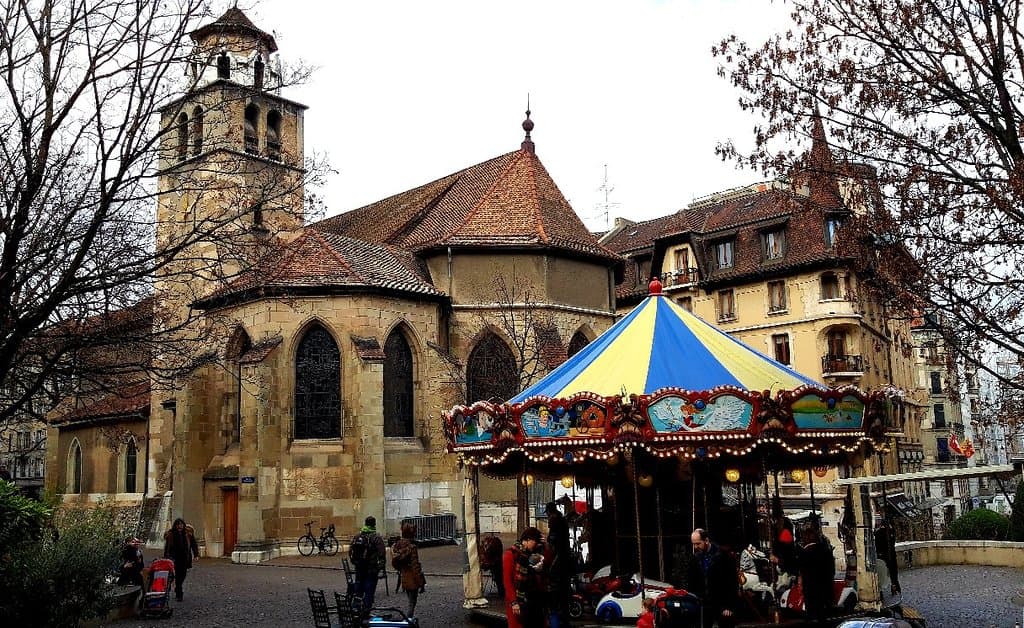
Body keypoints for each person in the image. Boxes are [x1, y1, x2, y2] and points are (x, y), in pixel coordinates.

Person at [688, 528, 739, 628]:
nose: (695, 547)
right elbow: (692, 581)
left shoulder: (723, 555)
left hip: (721, 601)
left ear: (706, 540)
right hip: (704, 602)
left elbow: (731, 581)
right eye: (693, 544)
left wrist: (729, 606)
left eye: (698, 543)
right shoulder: (696, 557)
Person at [502, 527, 545, 628]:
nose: (536, 546)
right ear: (528, 540)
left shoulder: (533, 554)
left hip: (532, 601)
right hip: (518, 601)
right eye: (535, 542)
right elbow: (507, 581)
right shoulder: (510, 555)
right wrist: (514, 602)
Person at [797, 525, 835, 622]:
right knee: (824, 616)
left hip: (811, 589)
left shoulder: (804, 553)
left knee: (812, 616)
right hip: (826, 587)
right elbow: (832, 571)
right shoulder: (827, 551)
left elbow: (801, 570)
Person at [545, 501, 572, 628]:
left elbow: (552, 540)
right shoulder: (561, 520)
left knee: (558, 591)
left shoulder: (555, 521)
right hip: (564, 559)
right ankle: (564, 618)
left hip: (560, 560)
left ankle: (559, 617)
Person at [350, 515, 386, 610]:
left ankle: (356, 612)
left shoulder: (357, 536)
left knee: (358, 591)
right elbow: (382, 554)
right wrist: (379, 568)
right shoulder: (376, 538)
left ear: (365, 524)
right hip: (371, 570)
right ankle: (366, 613)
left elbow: (351, 551)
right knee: (369, 593)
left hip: (359, 568)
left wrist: (355, 562)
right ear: (374, 524)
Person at [390, 522, 426, 617]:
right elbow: (415, 566)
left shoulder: (397, 545)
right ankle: (408, 620)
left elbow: (395, 563)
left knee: (410, 601)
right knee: (412, 603)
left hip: (404, 575)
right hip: (412, 577)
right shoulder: (412, 547)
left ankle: (408, 619)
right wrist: (421, 582)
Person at [163, 517, 199, 601]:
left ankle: (178, 587)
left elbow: (194, 544)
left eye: (181, 525)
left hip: (184, 558)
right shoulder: (171, 534)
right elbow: (167, 547)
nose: (180, 526)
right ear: (175, 525)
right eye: (178, 525)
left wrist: (196, 554)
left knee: (182, 575)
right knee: (174, 576)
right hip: (173, 558)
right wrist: (166, 558)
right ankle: (178, 593)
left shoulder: (187, 534)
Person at [874, 521, 901, 594]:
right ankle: (895, 587)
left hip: (882, 556)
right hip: (891, 556)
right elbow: (892, 543)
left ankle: (881, 591)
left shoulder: (878, 533)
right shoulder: (891, 532)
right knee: (893, 574)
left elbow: (877, 545)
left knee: (882, 574)